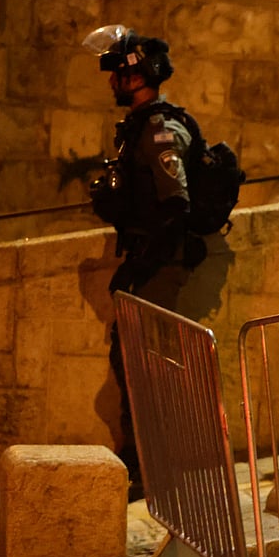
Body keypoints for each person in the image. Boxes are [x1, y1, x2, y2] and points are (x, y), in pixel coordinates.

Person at [82, 24, 206, 494]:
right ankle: (144, 464)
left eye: (116, 73)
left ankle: (157, 469)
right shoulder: (139, 126)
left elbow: (176, 206)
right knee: (134, 361)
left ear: (137, 77)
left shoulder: (158, 129)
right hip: (147, 259)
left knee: (146, 365)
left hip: (159, 263)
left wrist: (143, 264)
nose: (111, 81)